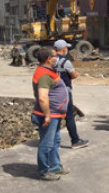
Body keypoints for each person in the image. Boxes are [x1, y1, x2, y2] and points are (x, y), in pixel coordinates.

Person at [30, 47, 70, 181]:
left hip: (55, 114)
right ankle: (43, 171)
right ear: (48, 59)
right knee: (47, 143)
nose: (57, 58)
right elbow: (42, 98)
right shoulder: (44, 75)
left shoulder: (48, 71)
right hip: (49, 115)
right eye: (55, 56)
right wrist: (47, 115)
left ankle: (55, 166)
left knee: (55, 141)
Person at [54, 40, 89, 149]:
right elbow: (74, 75)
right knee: (69, 117)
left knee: (55, 117)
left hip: (53, 92)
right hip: (65, 92)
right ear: (63, 49)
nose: (67, 50)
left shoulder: (50, 60)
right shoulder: (65, 62)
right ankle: (75, 141)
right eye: (66, 48)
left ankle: (52, 141)